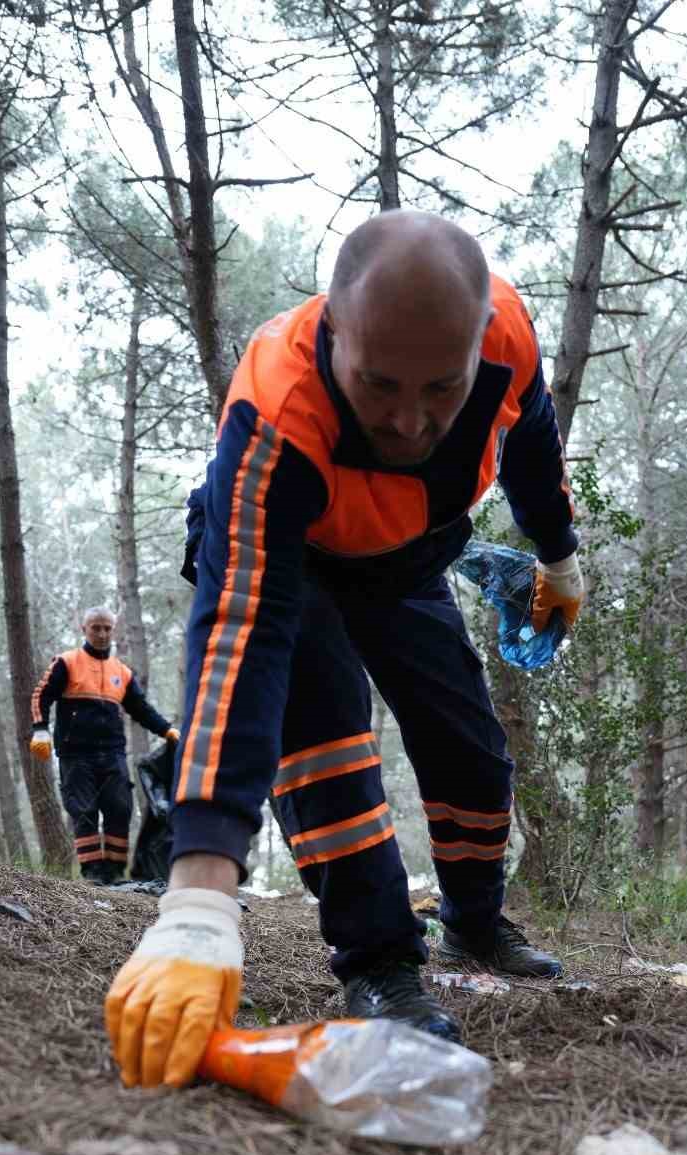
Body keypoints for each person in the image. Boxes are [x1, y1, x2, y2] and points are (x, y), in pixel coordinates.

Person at [106, 210, 583, 1090]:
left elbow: (533, 443)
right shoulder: (275, 415)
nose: (410, 421)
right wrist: (198, 903)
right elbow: (238, 643)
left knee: (470, 752)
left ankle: (476, 922)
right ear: (334, 333)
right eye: (380, 386)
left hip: (404, 559)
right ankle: (379, 965)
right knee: (327, 752)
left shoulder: (509, 332)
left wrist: (560, 555)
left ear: (481, 341)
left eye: (443, 388)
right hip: (293, 564)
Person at [30, 607, 178, 884]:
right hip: (75, 753)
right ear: (84, 629)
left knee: (119, 808)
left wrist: (168, 730)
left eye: (107, 628)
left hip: (112, 753)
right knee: (83, 810)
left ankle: (114, 872)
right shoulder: (67, 662)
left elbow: (141, 709)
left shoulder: (121, 672)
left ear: (114, 630)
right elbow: (42, 695)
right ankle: (93, 873)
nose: (101, 633)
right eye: (95, 628)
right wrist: (40, 730)